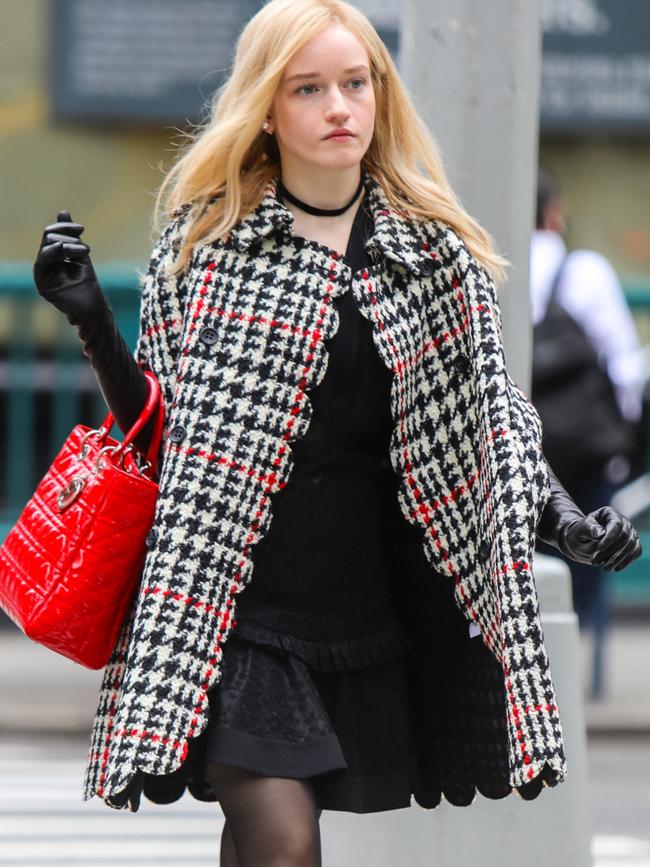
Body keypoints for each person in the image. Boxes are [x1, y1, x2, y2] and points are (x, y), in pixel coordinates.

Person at [33, 2, 640, 863]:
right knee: (283, 844)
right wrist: (94, 321)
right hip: (231, 605)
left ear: (380, 95)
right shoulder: (209, 246)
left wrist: (564, 518)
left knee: (261, 848)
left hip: (360, 603)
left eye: (355, 83)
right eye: (309, 88)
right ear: (268, 110)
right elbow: (156, 431)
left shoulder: (435, 258)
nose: (339, 107)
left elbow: (492, 419)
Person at [531, 167, 645, 700]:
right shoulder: (583, 271)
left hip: (515, 458)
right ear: (554, 215)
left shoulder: (479, 261)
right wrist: (619, 448)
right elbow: (623, 366)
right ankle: (570, 689)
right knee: (587, 568)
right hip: (581, 454)